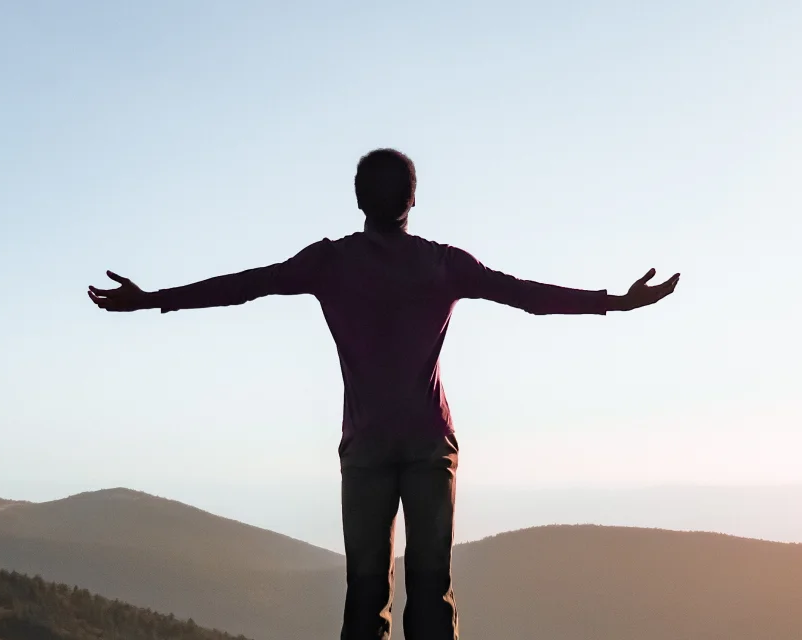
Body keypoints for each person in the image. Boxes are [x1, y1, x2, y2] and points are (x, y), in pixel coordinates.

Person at [87, 148, 680, 640]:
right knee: (431, 587)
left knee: (365, 590)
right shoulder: (443, 264)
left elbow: (247, 286)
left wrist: (153, 298)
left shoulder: (330, 263)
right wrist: (614, 302)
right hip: (429, 444)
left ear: (358, 200)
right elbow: (524, 293)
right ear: (414, 200)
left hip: (366, 447)